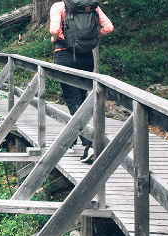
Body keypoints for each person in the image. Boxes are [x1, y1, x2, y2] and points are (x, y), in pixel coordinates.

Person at [49, 0, 114, 163]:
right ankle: (72, 139)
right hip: (86, 56)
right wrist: (94, 35)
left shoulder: (59, 6)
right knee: (82, 98)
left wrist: (54, 38)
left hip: (65, 55)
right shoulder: (92, 6)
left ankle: (89, 145)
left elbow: (54, 29)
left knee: (73, 101)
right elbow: (109, 27)